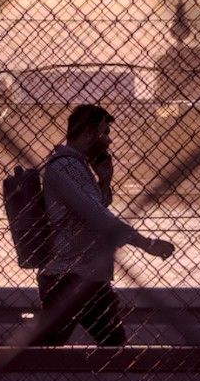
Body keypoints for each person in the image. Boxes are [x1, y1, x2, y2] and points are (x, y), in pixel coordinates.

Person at [37, 103, 175, 346]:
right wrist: (146, 243)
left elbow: (93, 208)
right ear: (89, 133)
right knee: (101, 346)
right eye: (105, 132)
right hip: (71, 276)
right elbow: (98, 217)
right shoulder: (67, 166)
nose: (109, 141)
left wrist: (104, 181)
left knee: (54, 347)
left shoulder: (76, 166)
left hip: (81, 275)